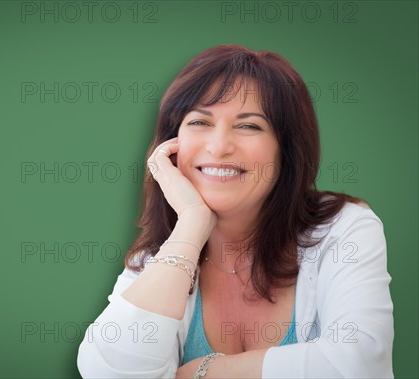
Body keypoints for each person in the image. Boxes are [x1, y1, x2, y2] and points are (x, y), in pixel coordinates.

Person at [76, 44, 394, 378]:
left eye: (248, 126)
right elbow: (108, 371)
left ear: (287, 151)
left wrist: (204, 372)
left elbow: (359, 363)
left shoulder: (343, 229)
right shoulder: (163, 258)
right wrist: (191, 225)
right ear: (171, 146)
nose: (218, 146)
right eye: (200, 121)